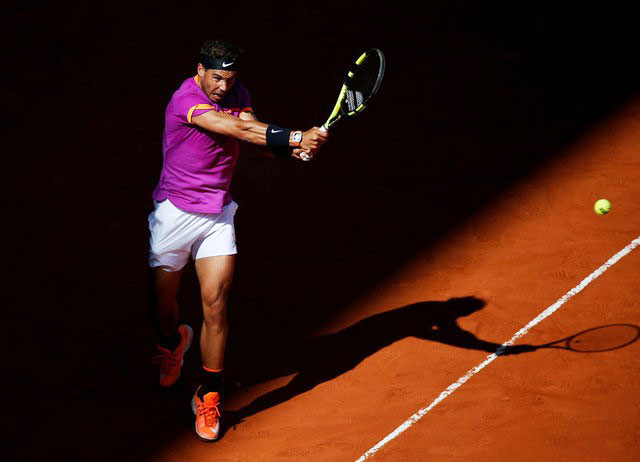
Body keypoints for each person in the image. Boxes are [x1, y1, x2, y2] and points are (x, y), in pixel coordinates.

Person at [147, 39, 328, 442]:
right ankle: (172, 340)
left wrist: (288, 151)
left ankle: (209, 394)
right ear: (199, 70)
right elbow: (237, 127)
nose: (222, 87)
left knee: (216, 304)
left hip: (217, 216)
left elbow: (251, 135)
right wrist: (297, 136)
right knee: (162, 303)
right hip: (174, 213)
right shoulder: (185, 100)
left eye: (229, 79)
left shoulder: (238, 93)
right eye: (215, 78)